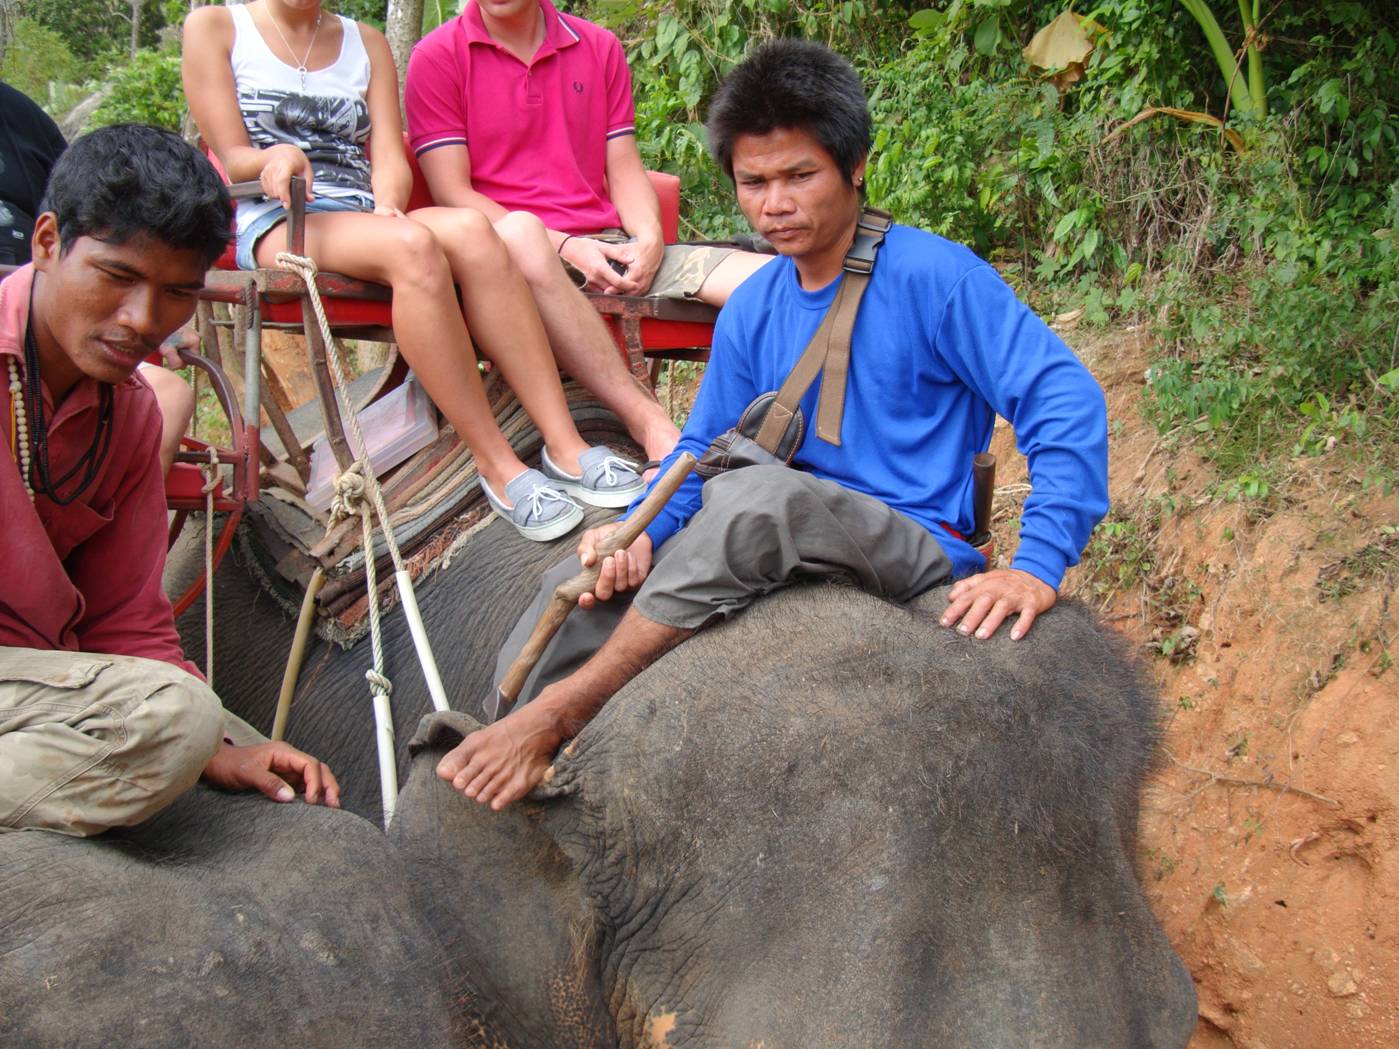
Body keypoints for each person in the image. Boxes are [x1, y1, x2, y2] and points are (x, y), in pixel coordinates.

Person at [435, 40, 1111, 810]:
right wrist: (641, 531)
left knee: (760, 500)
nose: (773, 204)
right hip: (776, 522)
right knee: (584, 575)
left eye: (799, 176)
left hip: (907, 537)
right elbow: (702, 447)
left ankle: (557, 718)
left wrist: (1038, 561)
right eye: (752, 183)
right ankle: (501, 726)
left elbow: (1063, 397)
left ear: (854, 167)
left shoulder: (937, 278)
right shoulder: (755, 304)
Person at [183, 0, 656, 541]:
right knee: (413, 247)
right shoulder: (217, 27)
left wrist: (388, 200)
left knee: (476, 233)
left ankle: (565, 444)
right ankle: (497, 465)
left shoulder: (366, 41)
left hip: (365, 212)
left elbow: (387, 151)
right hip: (282, 216)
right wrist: (279, 156)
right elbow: (230, 152)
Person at [1, 124, 341, 836]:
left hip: (42, 681)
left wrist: (216, 745)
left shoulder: (125, 412)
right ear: (45, 242)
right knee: (177, 718)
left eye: (176, 292)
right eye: (117, 277)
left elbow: (126, 617)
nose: (142, 321)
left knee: (215, 729)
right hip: (32, 680)